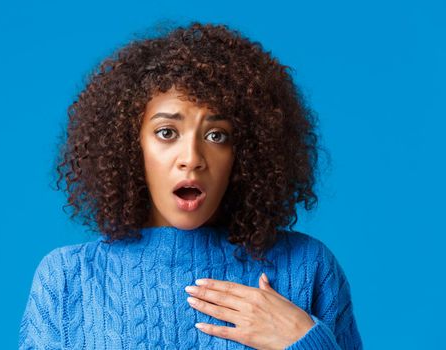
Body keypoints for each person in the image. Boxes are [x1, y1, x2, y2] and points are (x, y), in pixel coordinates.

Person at [18, 22, 363, 349]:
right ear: (130, 145)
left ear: (244, 153)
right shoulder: (67, 279)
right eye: (166, 132)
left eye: (216, 135)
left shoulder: (306, 266)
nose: (192, 157)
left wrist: (303, 339)